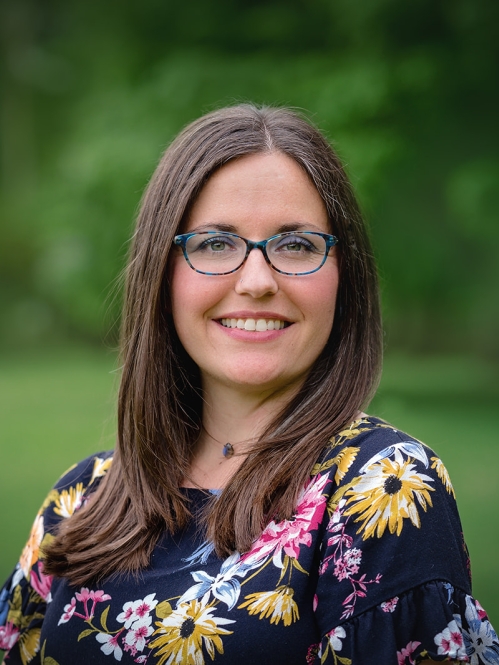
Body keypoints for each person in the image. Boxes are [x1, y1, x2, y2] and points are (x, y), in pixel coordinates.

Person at [1, 104, 498, 665]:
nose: (257, 281)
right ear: (160, 274)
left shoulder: (384, 489)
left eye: (296, 245)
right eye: (215, 243)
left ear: (343, 275)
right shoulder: (81, 498)